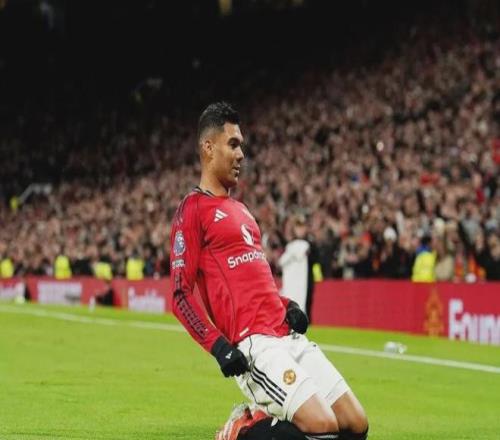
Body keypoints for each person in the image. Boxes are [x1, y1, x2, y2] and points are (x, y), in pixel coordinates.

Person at [169, 102, 368, 440]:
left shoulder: (242, 211)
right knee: (322, 427)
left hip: (286, 335)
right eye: (233, 144)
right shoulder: (193, 209)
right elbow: (179, 295)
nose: (241, 154)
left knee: (355, 425)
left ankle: (263, 419)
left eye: (241, 145)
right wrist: (218, 347)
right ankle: (242, 430)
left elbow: (254, 282)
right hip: (255, 346)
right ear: (208, 147)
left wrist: (286, 305)